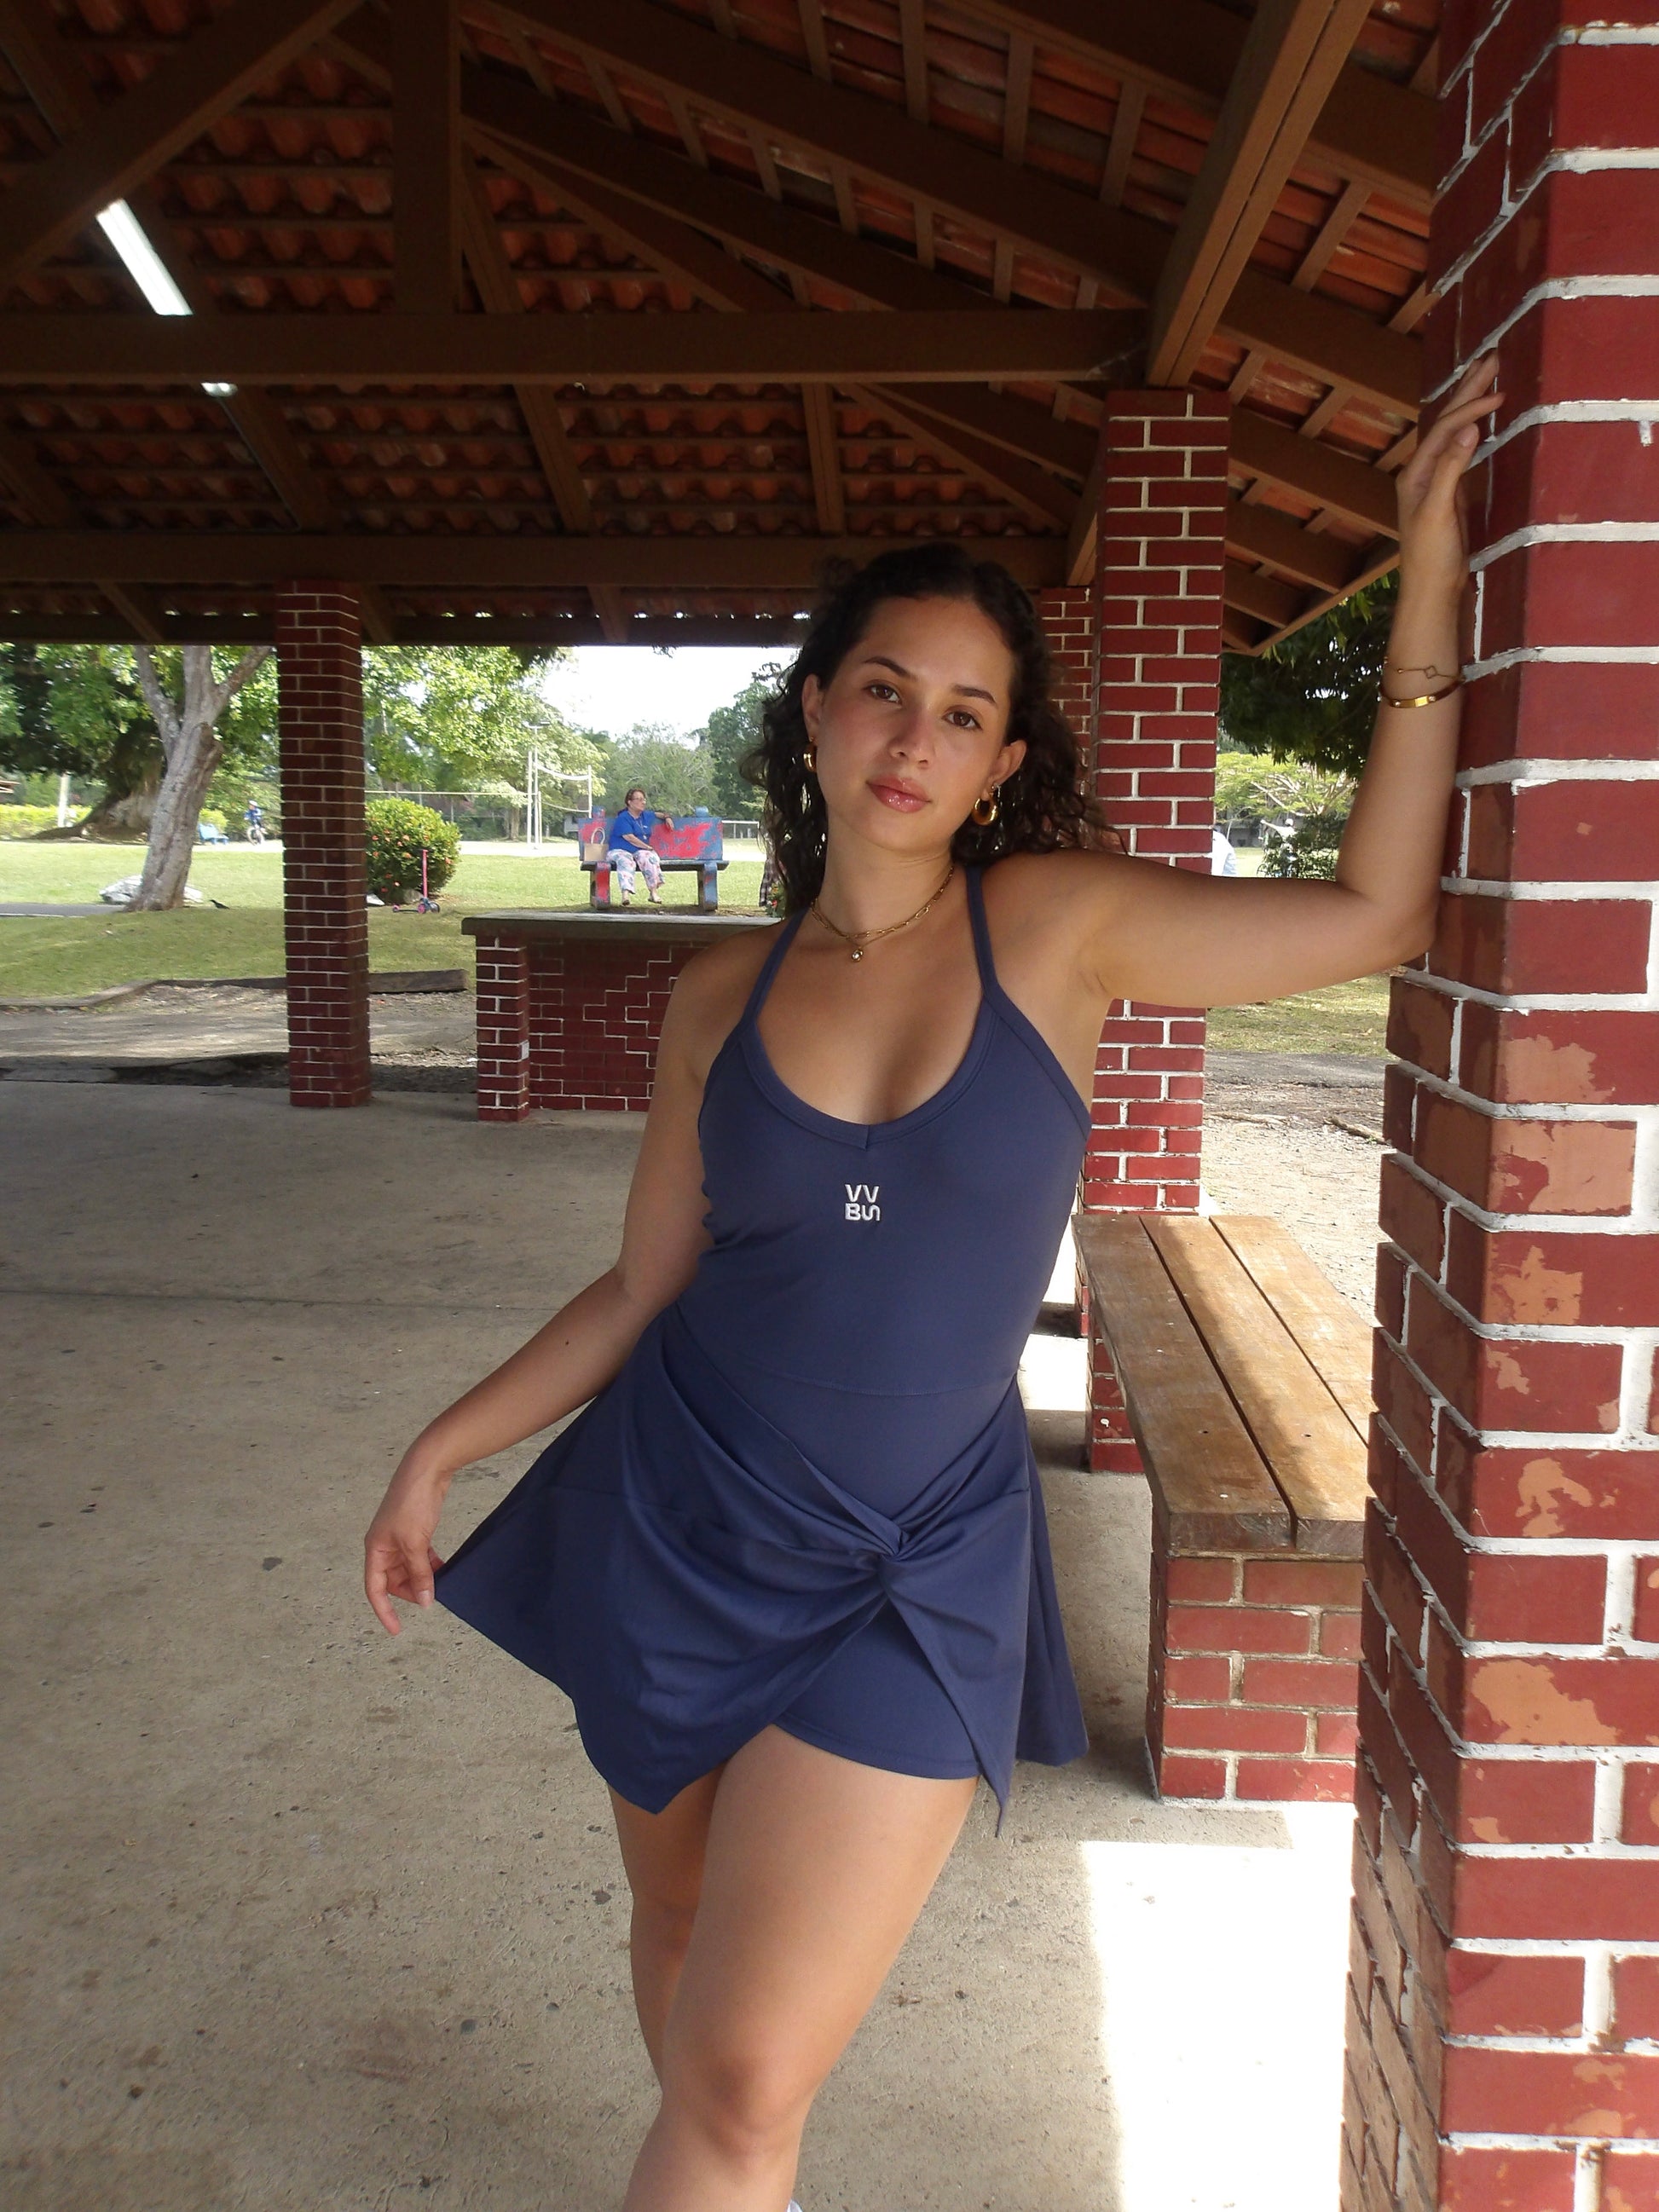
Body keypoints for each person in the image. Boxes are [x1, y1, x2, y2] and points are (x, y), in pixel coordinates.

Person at [364, 354, 1500, 2212]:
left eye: (965, 713)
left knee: (742, 2070)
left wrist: (1428, 568)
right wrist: (441, 1448)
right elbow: (641, 1287)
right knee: (688, 1952)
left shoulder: (1058, 925)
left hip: (913, 1564)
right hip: (679, 1517)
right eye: (885, 688)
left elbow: (1376, 911)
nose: (915, 736)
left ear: (999, 765)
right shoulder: (714, 998)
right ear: (815, 709)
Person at [609, 786, 675, 904]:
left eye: (643, 799)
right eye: (639, 799)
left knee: (649, 857)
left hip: (638, 850)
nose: (643, 802)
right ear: (630, 802)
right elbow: (629, 837)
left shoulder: (645, 815)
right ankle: (625, 895)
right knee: (626, 860)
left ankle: (653, 893)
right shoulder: (623, 817)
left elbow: (659, 814)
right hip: (620, 849)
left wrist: (667, 817)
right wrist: (647, 847)